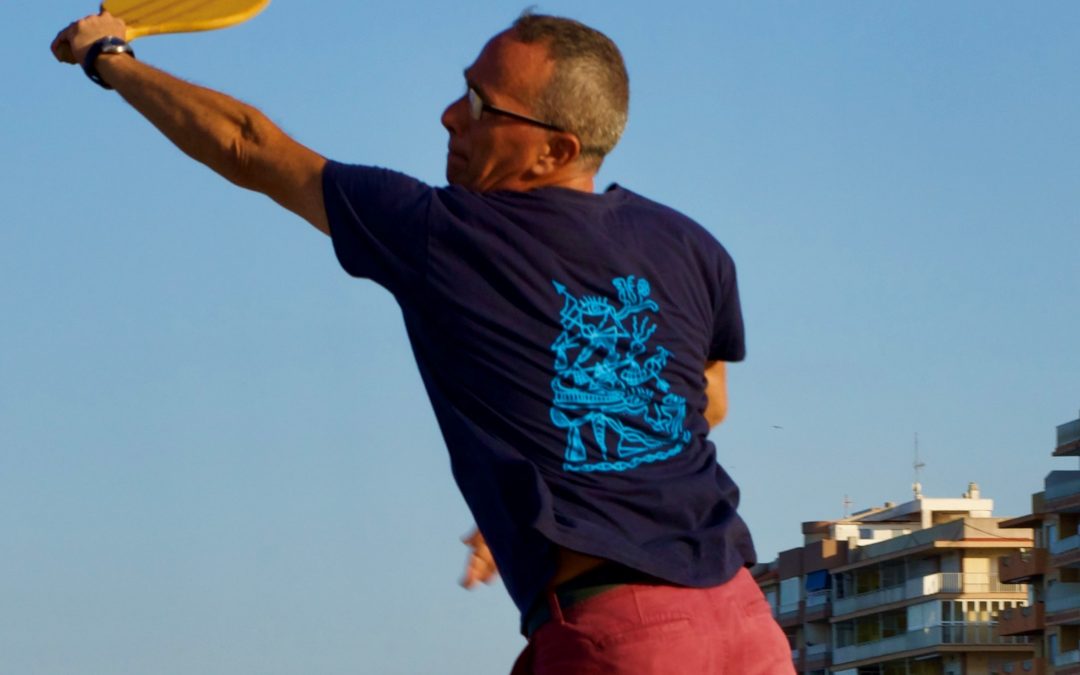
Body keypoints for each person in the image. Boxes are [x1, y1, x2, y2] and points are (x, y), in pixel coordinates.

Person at [52, 11, 794, 674]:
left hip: (624, 638)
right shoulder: (691, 245)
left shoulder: (442, 234)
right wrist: (559, 473)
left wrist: (110, 59)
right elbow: (706, 401)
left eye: (479, 105)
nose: (449, 116)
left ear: (554, 150)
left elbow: (249, 146)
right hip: (746, 627)